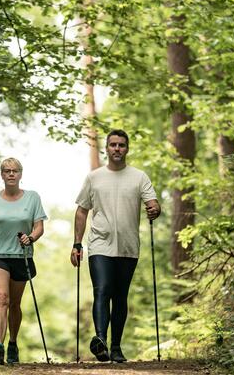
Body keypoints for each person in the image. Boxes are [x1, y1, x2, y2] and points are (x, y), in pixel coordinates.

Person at [70, 129, 161, 363]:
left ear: (127, 148)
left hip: (128, 246)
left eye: (121, 145)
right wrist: (77, 244)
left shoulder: (139, 177)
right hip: (100, 244)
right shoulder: (94, 177)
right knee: (102, 290)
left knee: (120, 296)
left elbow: (153, 203)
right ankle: (100, 342)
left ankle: (117, 347)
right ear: (106, 148)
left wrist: (155, 209)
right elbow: (81, 211)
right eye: (113, 145)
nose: (117, 149)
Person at [0, 157, 47, 365]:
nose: (11, 174)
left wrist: (31, 237)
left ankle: (13, 343)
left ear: (21, 174)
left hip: (20, 256)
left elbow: (39, 227)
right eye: (7, 171)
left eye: (15, 171)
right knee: (2, 298)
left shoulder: (33, 198)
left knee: (15, 304)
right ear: (2, 175)